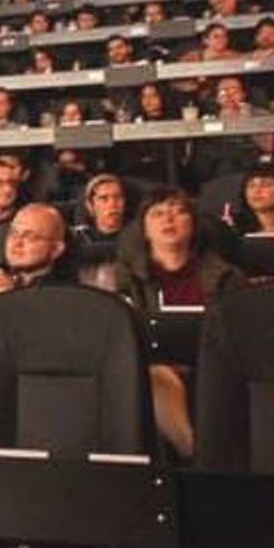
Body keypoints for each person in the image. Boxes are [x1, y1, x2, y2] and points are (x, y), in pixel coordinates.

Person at [118, 188, 243, 457]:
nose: (168, 219)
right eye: (158, 213)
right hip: (151, 372)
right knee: (156, 375)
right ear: (144, 229)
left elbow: (240, 338)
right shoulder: (128, 281)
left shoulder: (226, 277)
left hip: (213, 370)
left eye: (178, 211)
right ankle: (195, 452)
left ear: (193, 223)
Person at [0, 204, 76, 307]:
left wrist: (8, 300)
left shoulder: (64, 296)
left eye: (30, 236)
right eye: (13, 233)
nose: (17, 243)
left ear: (56, 249)